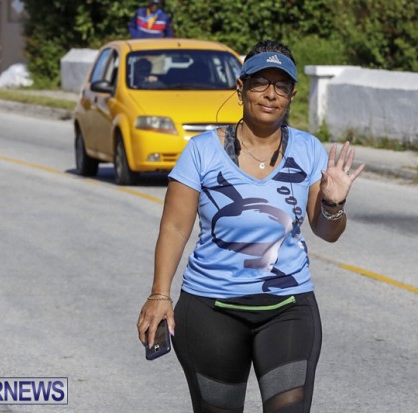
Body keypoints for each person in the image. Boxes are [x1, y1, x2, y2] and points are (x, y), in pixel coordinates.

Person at [137, 39, 364, 413]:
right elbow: (174, 228)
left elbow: (327, 231)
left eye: (282, 86)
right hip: (211, 310)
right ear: (240, 88)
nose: (271, 94)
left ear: (291, 95)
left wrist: (333, 203)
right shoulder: (202, 151)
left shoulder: (308, 149)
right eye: (260, 82)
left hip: (288, 308)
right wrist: (160, 294)